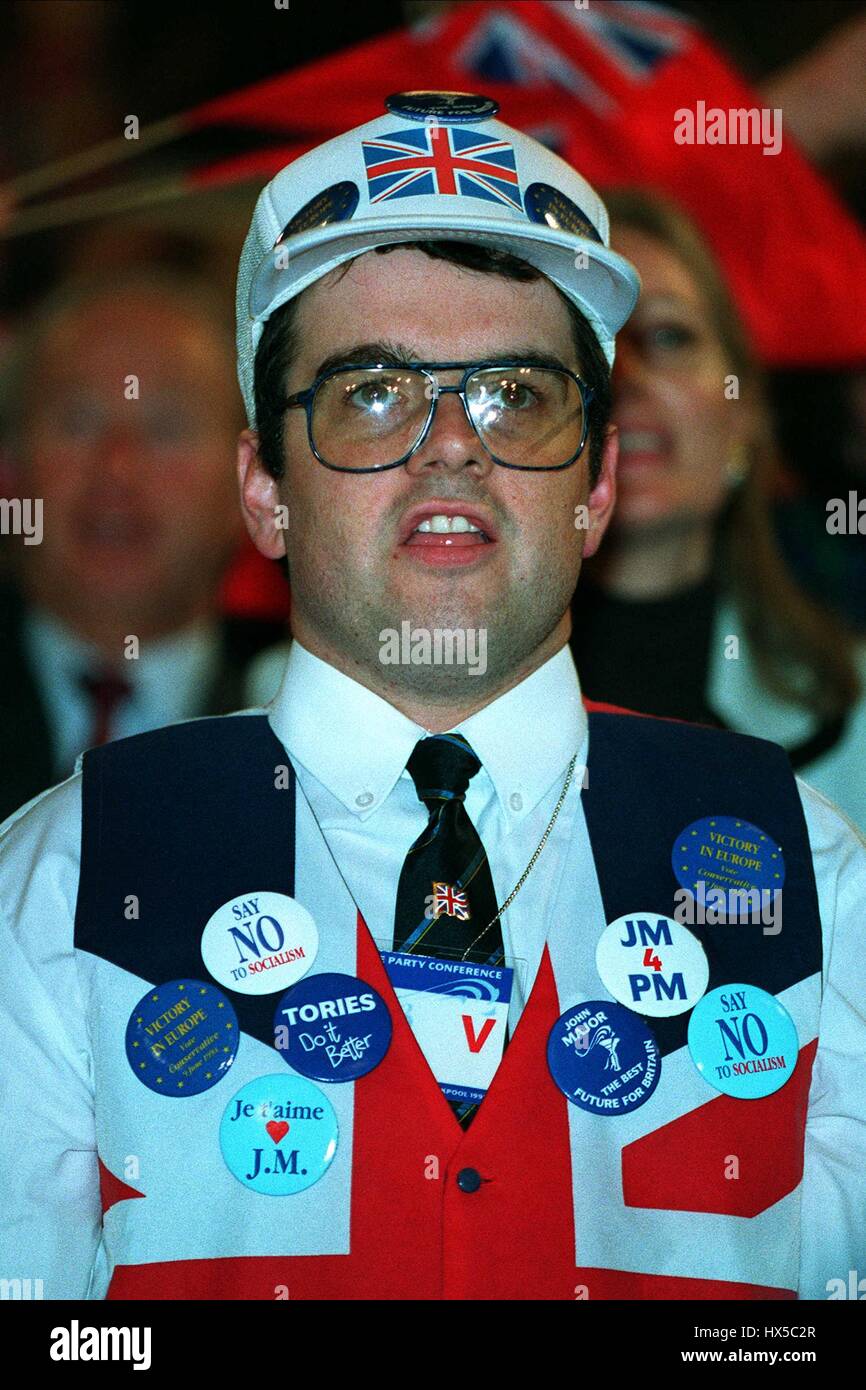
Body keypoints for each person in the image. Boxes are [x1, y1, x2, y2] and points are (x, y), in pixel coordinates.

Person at [0, 92, 864, 1302]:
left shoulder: (811, 882)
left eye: (516, 393)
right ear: (264, 490)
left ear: (600, 482)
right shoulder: (59, 880)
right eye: (371, 393)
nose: (450, 444)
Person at [571, 189, 866, 833]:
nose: (626, 377)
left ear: (747, 413)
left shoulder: (859, 711)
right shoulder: (321, 700)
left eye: (669, 335)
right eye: (590, 344)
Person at [0, 265, 285, 821]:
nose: (118, 468)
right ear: (9, 466)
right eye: (79, 422)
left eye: (166, 428)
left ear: (251, 484)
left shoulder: (302, 714)